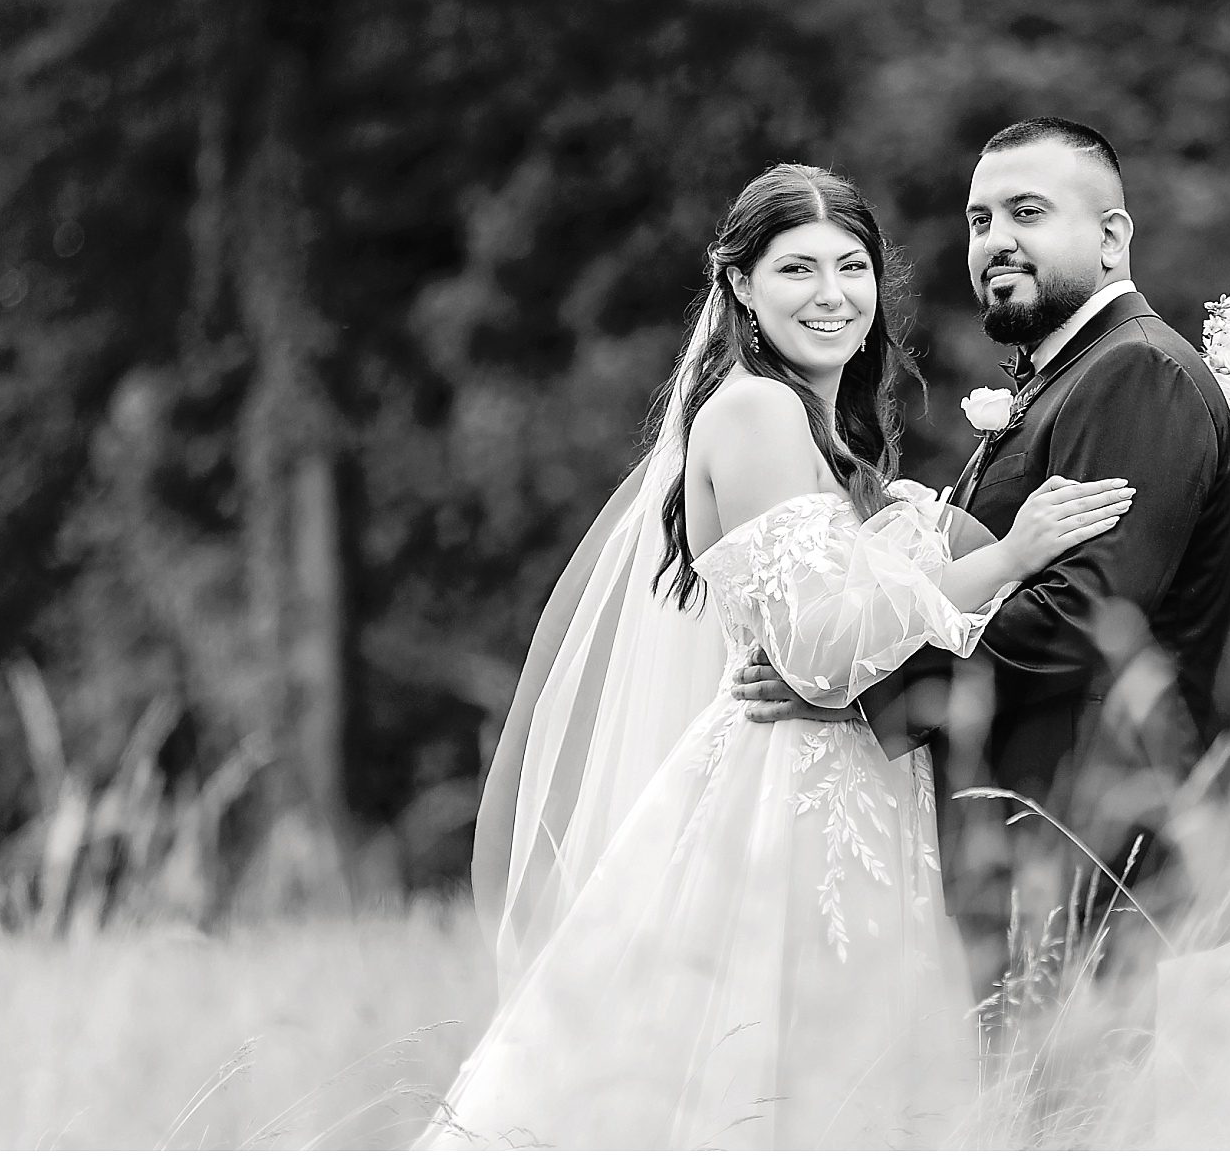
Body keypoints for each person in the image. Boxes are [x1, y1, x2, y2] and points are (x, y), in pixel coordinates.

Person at [419, 162, 1136, 1149]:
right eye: (795, 268)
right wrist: (1011, 555)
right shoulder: (753, 413)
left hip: (850, 792)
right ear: (739, 287)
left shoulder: (829, 442)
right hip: (785, 807)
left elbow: (889, 592)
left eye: (851, 267)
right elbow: (819, 653)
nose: (830, 294)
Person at [741, 118, 1230, 973]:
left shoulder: (1136, 373)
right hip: (1030, 846)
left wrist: (863, 686)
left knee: (1068, 1110)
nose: (995, 241)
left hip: (1087, 848)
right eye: (979, 221)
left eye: (1027, 212)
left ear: (1112, 236)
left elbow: (1085, 615)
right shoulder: (1069, 375)